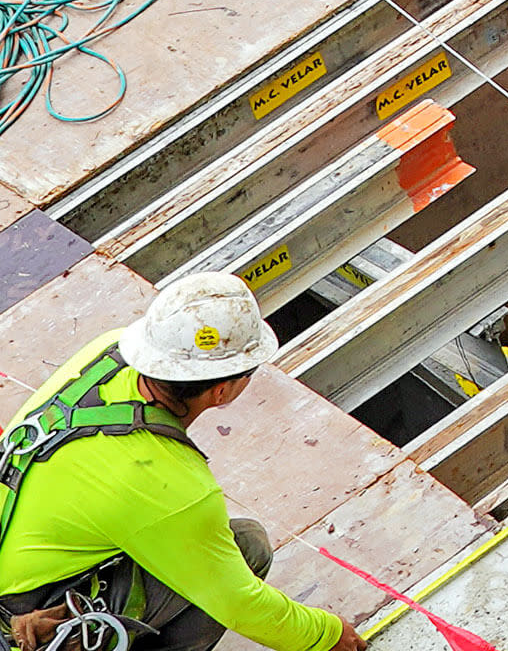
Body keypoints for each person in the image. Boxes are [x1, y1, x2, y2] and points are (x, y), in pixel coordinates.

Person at [0, 273, 366, 651]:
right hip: (29, 619)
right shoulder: (168, 484)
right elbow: (239, 603)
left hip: (15, 568)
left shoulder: (105, 354)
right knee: (248, 547)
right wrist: (326, 634)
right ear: (222, 389)